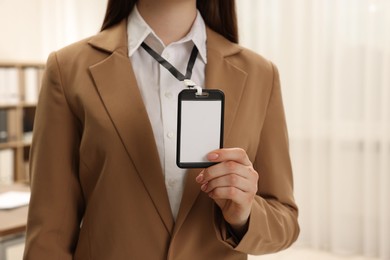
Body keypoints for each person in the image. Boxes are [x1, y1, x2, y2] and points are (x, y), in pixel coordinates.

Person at [23, 0, 299, 259]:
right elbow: (48, 233)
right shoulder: (68, 69)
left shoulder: (260, 74)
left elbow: (284, 222)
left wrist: (243, 214)